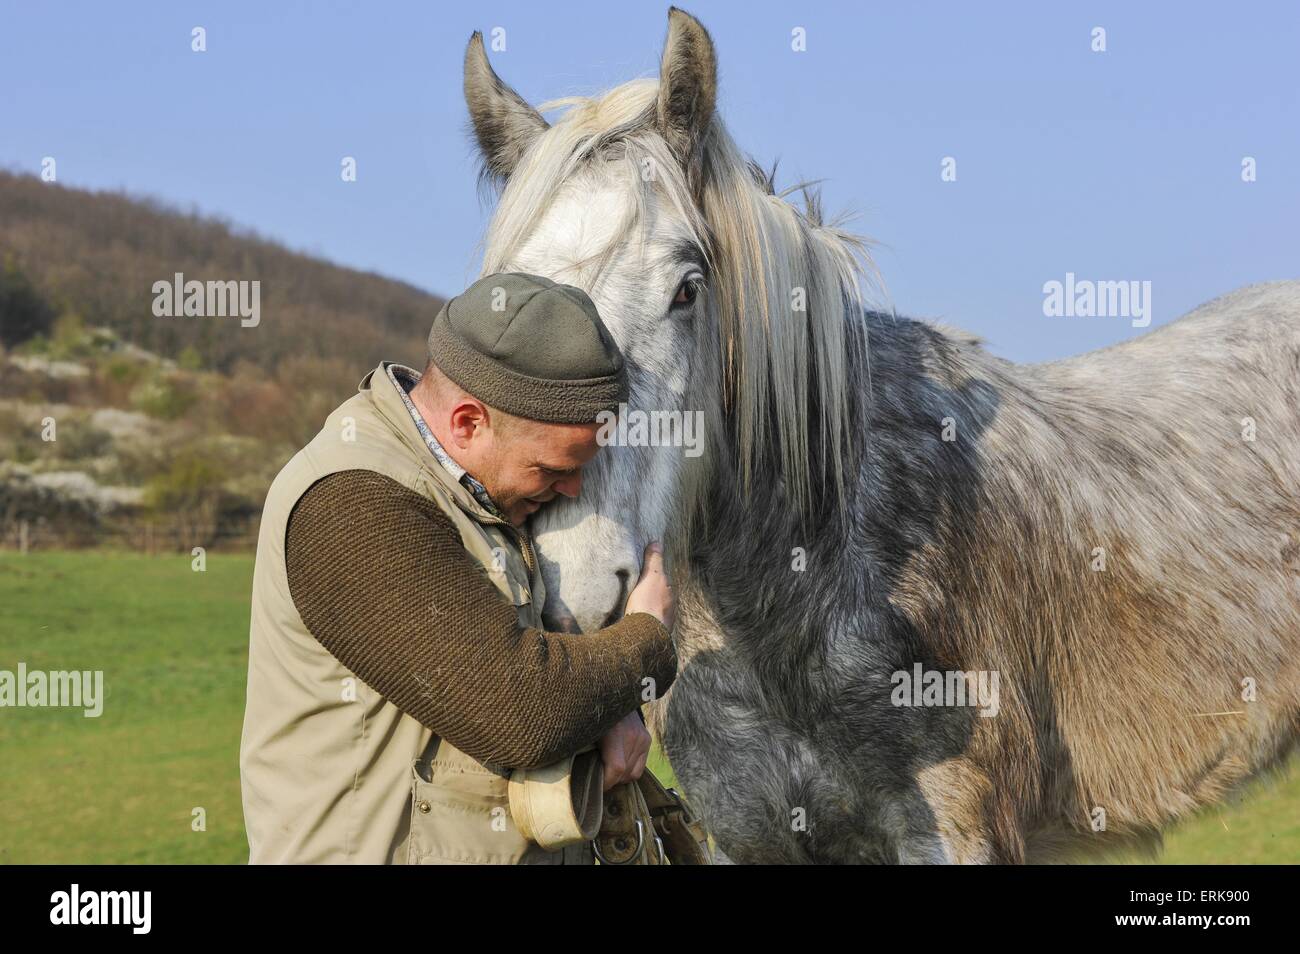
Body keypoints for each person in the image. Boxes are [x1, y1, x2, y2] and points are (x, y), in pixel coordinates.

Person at [239, 272, 677, 864]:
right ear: (468, 422)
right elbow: (522, 709)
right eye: (551, 469)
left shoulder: (479, 488)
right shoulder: (352, 504)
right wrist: (647, 638)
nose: (572, 490)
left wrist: (608, 714)